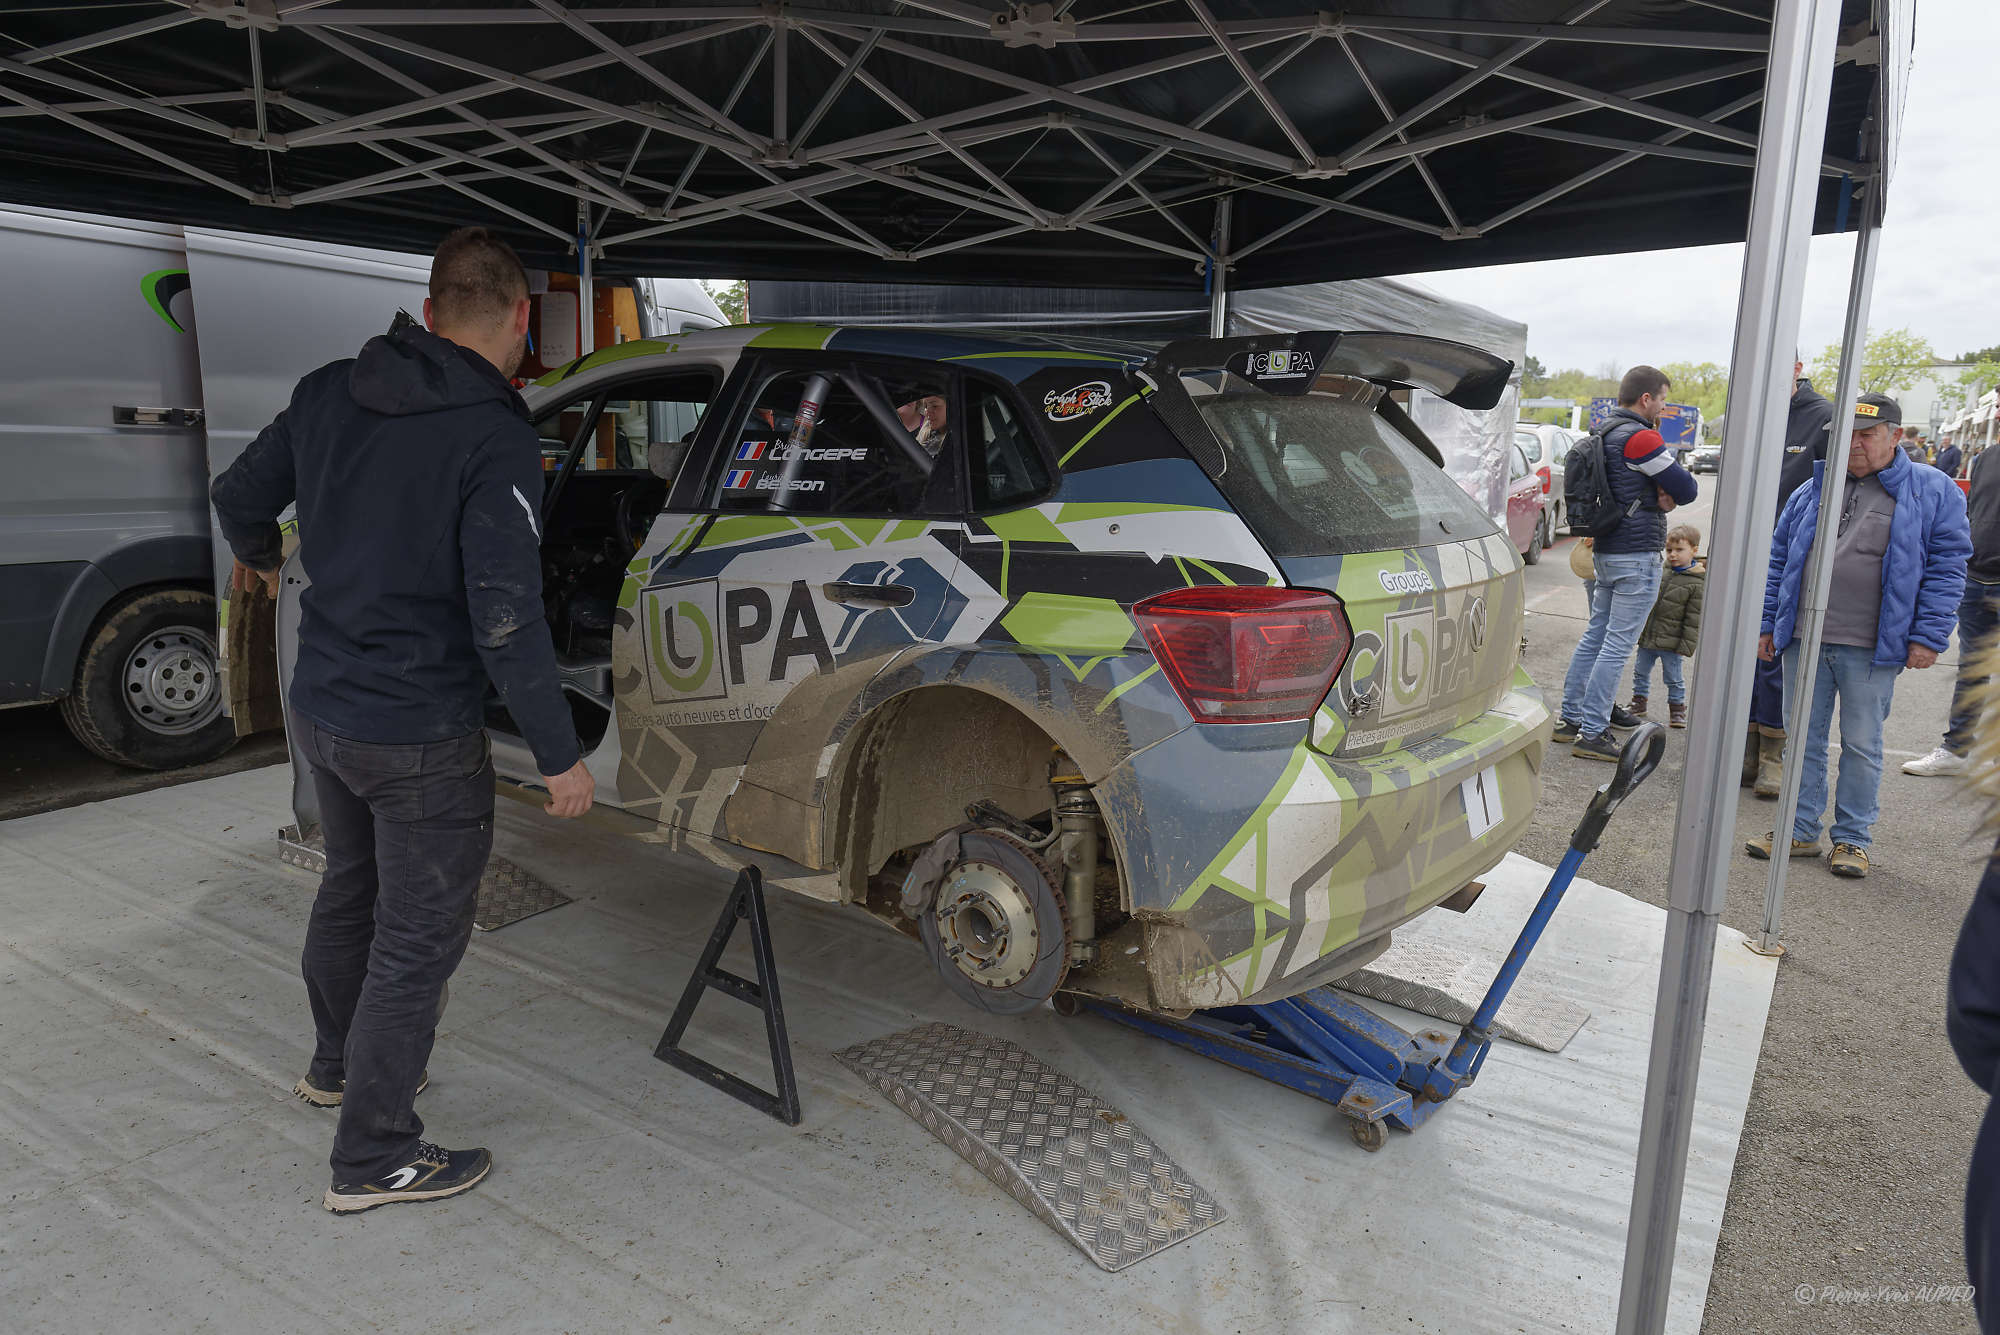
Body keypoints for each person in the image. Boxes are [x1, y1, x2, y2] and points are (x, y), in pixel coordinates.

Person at [209, 228, 595, 1213]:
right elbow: (505, 616)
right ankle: (372, 1154)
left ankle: (338, 1069)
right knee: (415, 941)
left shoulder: (329, 389)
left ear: (427, 314)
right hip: (418, 730)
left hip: (327, 712)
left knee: (352, 889)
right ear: (520, 319)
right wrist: (560, 756)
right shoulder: (493, 432)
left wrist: (258, 550)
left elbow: (236, 494)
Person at [1748, 393, 1970, 877]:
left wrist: (1929, 636)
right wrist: (1767, 624)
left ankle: (1851, 839)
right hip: (1804, 638)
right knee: (1801, 739)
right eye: (1845, 435)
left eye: (1866, 435)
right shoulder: (1813, 488)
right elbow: (1778, 561)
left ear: (1895, 435)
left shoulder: (1932, 490)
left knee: (1863, 745)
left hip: (1873, 647)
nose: (1853, 445)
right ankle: (1799, 829)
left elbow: (1948, 568)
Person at [1553, 367, 1700, 762]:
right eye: (1663, 401)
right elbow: (1687, 489)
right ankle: (1594, 731)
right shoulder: (1641, 437)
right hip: (1636, 557)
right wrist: (1661, 490)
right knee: (1616, 646)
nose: (1664, 410)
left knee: (1596, 637)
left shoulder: (1601, 432)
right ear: (1647, 398)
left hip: (1605, 551)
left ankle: (1570, 720)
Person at [1745, 360, 1835, 799]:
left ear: (1797, 366)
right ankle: (1745, 746)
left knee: (1774, 656)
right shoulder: (1757, 413)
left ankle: (1771, 756)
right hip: (1746, 553)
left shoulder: (1823, 417)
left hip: (1790, 559)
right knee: (1743, 655)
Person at [1905, 438, 2000, 776]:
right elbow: (1973, 511)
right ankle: (1956, 750)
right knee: (1972, 669)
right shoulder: (1988, 456)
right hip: (1978, 578)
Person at [1629, 525, 1705, 729]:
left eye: (1679, 550)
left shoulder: (1697, 582)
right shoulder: (1662, 571)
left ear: (1694, 550)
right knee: (1640, 671)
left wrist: (1685, 645)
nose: (1673, 555)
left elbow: (1693, 618)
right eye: (1669, 550)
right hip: (1649, 637)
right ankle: (1638, 703)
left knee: (1673, 677)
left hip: (1672, 642)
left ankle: (1677, 710)